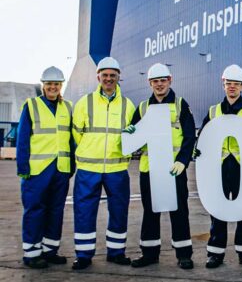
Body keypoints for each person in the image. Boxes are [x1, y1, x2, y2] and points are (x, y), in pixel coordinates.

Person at [124, 63, 196, 269]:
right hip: (150, 170)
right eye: (155, 81)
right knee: (150, 212)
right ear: (149, 83)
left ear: (170, 80)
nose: (159, 85)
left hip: (175, 170)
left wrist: (182, 161)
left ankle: (184, 254)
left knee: (180, 211)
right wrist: (129, 132)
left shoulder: (181, 105)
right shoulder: (143, 108)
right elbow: (134, 136)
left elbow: (189, 136)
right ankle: (149, 254)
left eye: (163, 80)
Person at [195, 64, 242, 269]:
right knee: (218, 210)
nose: (232, 87)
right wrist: (197, 150)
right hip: (219, 168)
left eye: (236, 84)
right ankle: (215, 253)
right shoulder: (213, 111)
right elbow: (203, 138)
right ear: (223, 85)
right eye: (229, 84)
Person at [71, 57, 135, 270]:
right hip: (88, 168)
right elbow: (76, 134)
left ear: (119, 78)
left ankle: (116, 252)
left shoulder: (128, 105)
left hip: (117, 169)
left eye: (113, 75)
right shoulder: (84, 103)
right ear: (98, 76)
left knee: (119, 211)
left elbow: (131, 136)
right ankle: (83, 255)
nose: (108, 79)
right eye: (105, 75)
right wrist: (91, 151)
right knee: (84, 211)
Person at [16, 66, 74, 268]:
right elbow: (22, 139)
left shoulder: (67, 107)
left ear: (61, 86)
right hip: (37, 170)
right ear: (43, 85)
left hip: (61, 169)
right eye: (49, 84)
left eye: (56, 84)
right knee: (35, 210)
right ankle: (32, 253)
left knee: (56, 210)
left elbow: (71, 140)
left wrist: (71, 166)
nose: (53, 87)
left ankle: (50, 250)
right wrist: (23, 167)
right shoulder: (31, 105)